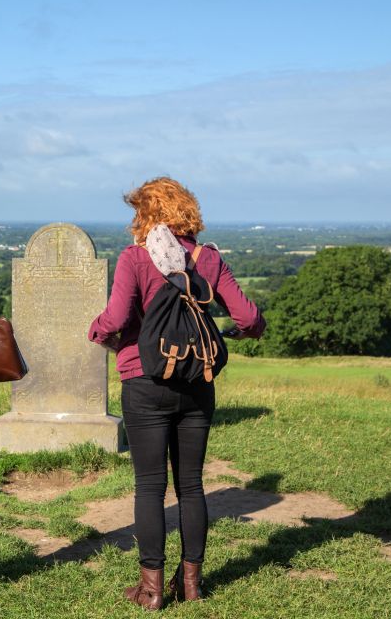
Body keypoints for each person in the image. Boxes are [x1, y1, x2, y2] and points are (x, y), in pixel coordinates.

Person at [88, 177, 265, 610]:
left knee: (149, 486)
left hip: (144, 381)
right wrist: (229, 332)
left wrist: (95, 332)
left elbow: (114, 319)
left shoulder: (135, 258)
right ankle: (191, 585)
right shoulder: (208, 259)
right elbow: (251, 318)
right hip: (197, 383)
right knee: (191, 485)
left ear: (146, 216)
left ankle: (151, 590)